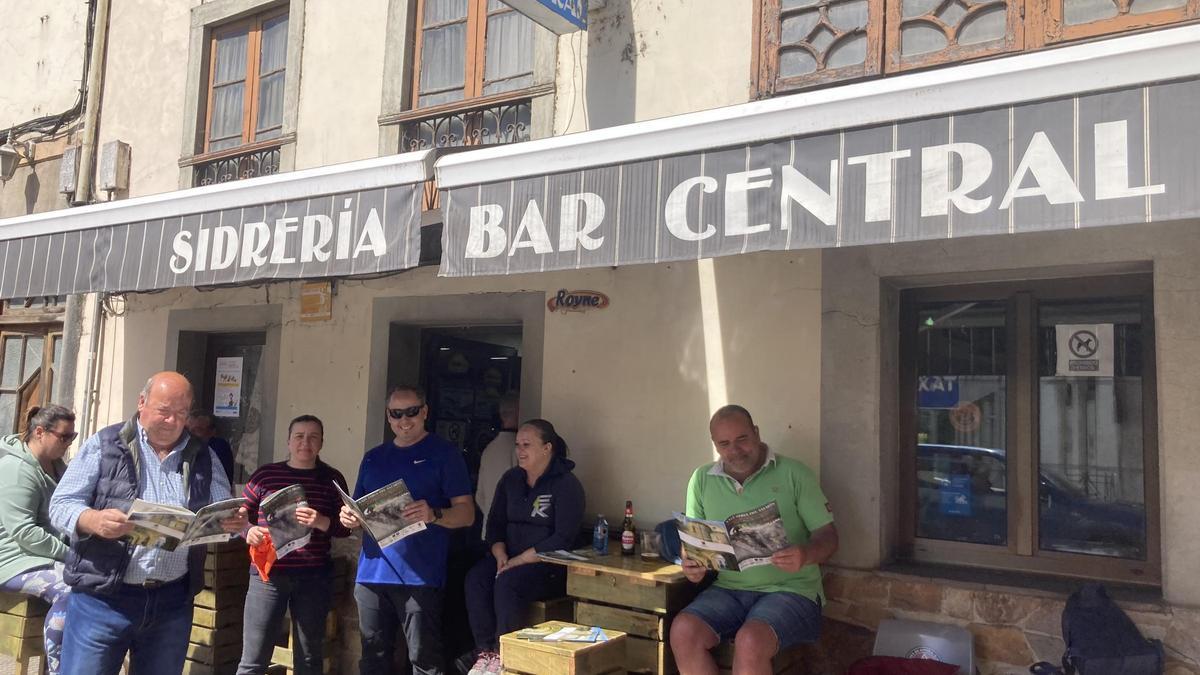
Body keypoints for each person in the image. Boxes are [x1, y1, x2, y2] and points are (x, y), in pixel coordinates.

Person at [48, 371, 247, 675]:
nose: (172, 421)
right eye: (164, 411)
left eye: (181, 413)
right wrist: (93, 520)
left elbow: (222, 512)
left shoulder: (203, 455)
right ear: (142, 403)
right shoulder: (105, 444)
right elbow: (61, 505)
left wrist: (234, 523)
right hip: (103, 600)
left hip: (171, 601)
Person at [669, 405, 839, 675]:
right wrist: (692, 565)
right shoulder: (701, 479)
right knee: (683, 631)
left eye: (742, 439)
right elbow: (694, 542)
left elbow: (828, 536)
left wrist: (805, 555)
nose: (735, 451)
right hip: (729, 590)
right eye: (724, 443)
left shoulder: (794, 473)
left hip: (793, 591)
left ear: (756, 433)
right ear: (714, 445)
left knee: (750, 641)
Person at [340, 385, 475, 675]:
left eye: (412, 411)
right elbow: (358, 507)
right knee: (373, 657)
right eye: (396, 413)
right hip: (371, 573)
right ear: (388, 417)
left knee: (424, 660)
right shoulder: (373, 457)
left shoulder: (444, 454)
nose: (404, 419)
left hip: (419, 576)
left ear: (425, 412)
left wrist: (434, 513)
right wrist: (349, 517)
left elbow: (467, 514)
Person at [461, 419, 585, 675]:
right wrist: (500, 554)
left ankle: (504, 653)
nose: (520, 450)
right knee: (476, 578)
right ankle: (485, 651)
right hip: (507, 557)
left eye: (527, 445)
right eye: (518, 445)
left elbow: (563, 537)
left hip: (547, 565)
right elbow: (494, 524)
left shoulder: (566, 484)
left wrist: (518, 561)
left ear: (547, 448)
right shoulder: (511, 479)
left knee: (507, 583)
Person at [237, 414, 351, 675]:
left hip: (314, 576)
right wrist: (248, 531)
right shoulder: (266, 475)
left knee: (309, 657)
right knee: (254, 658)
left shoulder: (331, 479)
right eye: (299, 436)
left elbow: (345, 528)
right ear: (288, 441)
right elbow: (239, 515)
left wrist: (321, 521)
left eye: (313, 437)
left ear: (322, 443)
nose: (305, 443)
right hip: (267, 575)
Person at [0, 405, 77, 675]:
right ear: (40, 432)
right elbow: (24, 532)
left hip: (41, 555)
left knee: (92, 582)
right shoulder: (16, 469)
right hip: (12, 559)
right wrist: (69, 555)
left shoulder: (57, 466)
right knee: (71, 589)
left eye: (72, 437)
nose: (68, 444)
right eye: (64, 437)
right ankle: (58, 669)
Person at [474, 393, 519, 532]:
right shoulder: (519, 450)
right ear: (520, 411)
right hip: (511, 532)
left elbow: (479, 496)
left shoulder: (489, 449)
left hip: (489, 529)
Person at [188, 410, 236, 484]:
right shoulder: (183, 446)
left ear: (212, 431)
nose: (192, 435)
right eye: (190, 431)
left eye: (198, 430)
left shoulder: (219, 446)